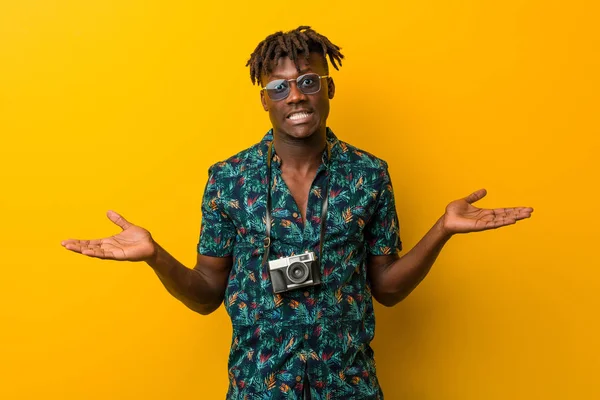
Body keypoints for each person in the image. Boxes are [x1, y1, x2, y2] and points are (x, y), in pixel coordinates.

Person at [61, 26, 533, 400]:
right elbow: (207, 294)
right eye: (280, 86)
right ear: (264, 99)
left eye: (308, 81)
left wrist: (443, 230)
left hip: (348, 387)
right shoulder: (228, 179)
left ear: (328, 88)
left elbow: (386, 287)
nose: (296, 96)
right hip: (258, 387)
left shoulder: (369, 175)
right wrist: (154, 255)